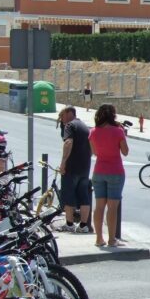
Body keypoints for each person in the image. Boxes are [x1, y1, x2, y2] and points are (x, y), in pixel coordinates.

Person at [88, 103, 129, 247]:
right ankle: (112, 239)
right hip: (115, 172)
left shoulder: (93, 132)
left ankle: (99, 238)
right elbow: (125, 152)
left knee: (99, 206)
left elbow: (95, 152)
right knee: (112, 207)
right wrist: (122, 133)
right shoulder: (118, 131)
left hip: (98, 171)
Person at [57, 106, 93, 233]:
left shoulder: (70, 126)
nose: (62, 119)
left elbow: (68, 143)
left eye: (62, 116)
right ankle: (83, 226)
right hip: (85, 167)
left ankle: (69, 224)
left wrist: (63, 162)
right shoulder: (85, 127)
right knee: (84, 196)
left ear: (68, 113)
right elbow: (92, 148)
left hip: (71, 167)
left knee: (69, 195)